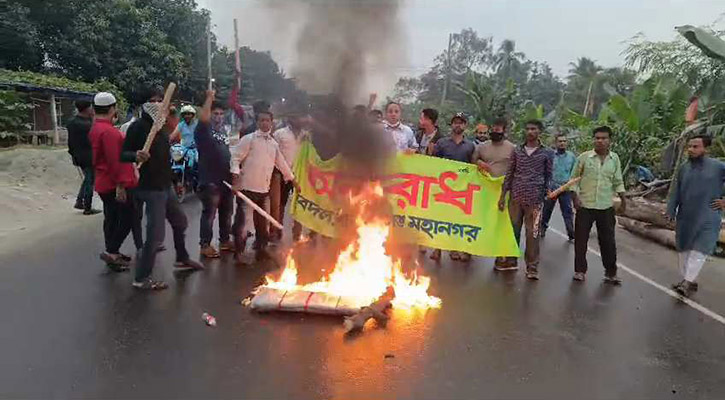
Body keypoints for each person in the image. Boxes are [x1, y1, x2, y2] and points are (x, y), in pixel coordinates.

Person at [121, 89, 203, 291]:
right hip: (150, 188)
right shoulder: (138, 128)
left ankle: (182, 258)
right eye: (154, 101)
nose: (159, 104)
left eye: (161, 101)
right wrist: (135, 156)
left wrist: (175, 181)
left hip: (166, 185)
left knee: (180, 221)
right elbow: (122, 154)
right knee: (155, 235)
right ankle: (141, 278)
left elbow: (166, 158)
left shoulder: (162, 128)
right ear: (145, 106)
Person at [230, 109, 299, 263]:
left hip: (263, 190)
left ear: (272, 123)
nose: (264, 123)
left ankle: (261, 249)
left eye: (267, 120)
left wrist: (293, 180)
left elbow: (281, 164)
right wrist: (235, 181)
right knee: (243, 224)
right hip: (246, 189)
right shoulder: (249, 139)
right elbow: (235, 158)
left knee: (262, 224)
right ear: (257, 122)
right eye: (261, 120)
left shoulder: (274, 144)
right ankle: (239, 252)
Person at [666, 135, 725, 296]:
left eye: (695, 146)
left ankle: (687, 282)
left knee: (700, 250)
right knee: (683, 249)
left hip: (708, 216)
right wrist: (671, 210)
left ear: (706, 149)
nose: (691, 150)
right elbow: (676, 190)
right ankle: (689, 279)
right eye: (690, 146)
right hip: (686, 217)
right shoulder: (684, 168)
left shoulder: (718, 167)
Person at [89, 92, 139, 271]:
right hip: (113, 183)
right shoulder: (109, 132)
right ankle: (111, 251)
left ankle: (113, 250)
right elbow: (115, 161)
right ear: (113, 108)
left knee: (111, 217)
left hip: (103, 181)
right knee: (127, 218)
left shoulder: (96, 128)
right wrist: (121, 185)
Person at [570, 126, 626, 285]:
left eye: (603, 138)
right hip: (585, 206)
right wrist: (575, 197)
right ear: (593, 139)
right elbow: (574, 179)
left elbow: (618, 181)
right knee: (581, 241)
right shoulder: (584, 158)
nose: (600, 141)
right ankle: (580, 271)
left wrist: (623, 200)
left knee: (608, 241)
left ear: (610, 141)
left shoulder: (614, 159)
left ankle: (611, 273)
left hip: (605, 206)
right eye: (597, 138)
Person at [498, 120, 552, 280]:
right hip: (515, 197)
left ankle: (532, 267)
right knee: (513, 231)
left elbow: (549, 175)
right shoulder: (517, 150)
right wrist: (502, 195)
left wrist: (547, 192)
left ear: (539, 132)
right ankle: (511, 260)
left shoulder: (547, 153)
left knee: (533, 234)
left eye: (533, 129)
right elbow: (510, 173)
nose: (530, 132)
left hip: (535, 200)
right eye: (528, 129)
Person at [429, 113, 477, 262]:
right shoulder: (442, 143)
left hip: (461, 190)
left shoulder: (470, 146)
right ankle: (437, 248)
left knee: (457, 220)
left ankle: (454, 248)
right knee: (440, 218)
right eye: (455, 122)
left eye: (461, 123)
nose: (458, 125)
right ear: (451, 125)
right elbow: (433, 163)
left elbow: (472, 167)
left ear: (465, 126)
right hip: (442, 188)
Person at [195, 90, 235, 258]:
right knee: (210, 214)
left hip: (225, 181)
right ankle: (205, 245)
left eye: (221, 114)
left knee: (227, 213)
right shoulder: (203, 131)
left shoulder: (222, 133)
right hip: (210, 182)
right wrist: (209, 98)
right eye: (215, 113)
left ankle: (225, 241)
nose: (218, 116)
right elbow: (203, 118)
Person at [471, 118, 515, 270]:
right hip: (485, 189)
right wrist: (479, 163)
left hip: (505, 191)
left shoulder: (512, 148)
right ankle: (470, 248)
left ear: (504, 131)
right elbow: (472, 161)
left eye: (499, 129)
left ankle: (502, 256)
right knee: (479, 219)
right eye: (494, 128)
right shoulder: (482, 147)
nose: (496, 131)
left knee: (502, 224)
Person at [271, 110, 309, 242]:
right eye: (295, 117)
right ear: (289, 119)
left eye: (300, 117)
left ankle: (297, 234)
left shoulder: (306, 135)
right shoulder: (279, 134)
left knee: (300, 204)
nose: (298, 120)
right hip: (282, 174)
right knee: (279, 204)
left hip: (300, 175)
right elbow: (273, 153)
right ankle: (276, 231)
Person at [66, 99, 100, 215]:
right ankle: (87, 207)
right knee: (90, 181)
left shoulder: (72, 122)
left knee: (87, 179)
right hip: (89, 156)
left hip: (77, 155)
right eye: (91, 107)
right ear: (87, 109)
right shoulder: (88, 125)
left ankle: (80, 201)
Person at [540, 133, 577, 240]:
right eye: (560, 141)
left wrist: (573, 188)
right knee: (547, 210)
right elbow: (545, 171)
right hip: (551, 188)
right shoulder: (550, 155)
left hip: (565, 188)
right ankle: (543, 228)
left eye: (564, 141)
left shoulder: (571, 157)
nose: (562, 143)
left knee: (567, 211)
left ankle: (571, 232)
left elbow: (575, 173)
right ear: (556, 143)